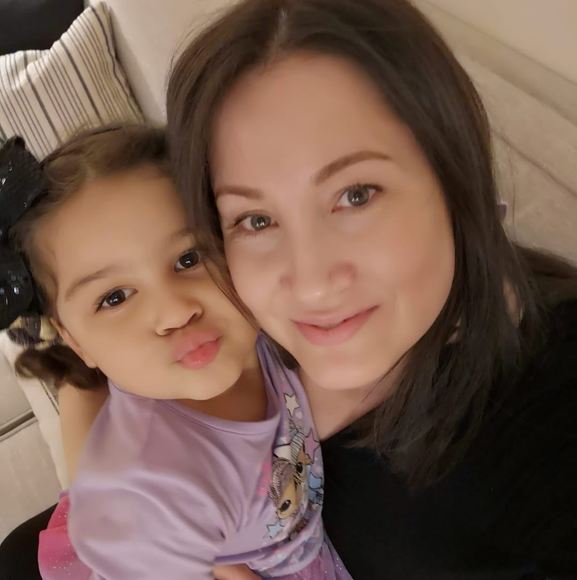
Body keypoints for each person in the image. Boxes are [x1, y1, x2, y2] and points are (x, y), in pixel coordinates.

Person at [164, 0, 577, 578]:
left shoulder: (551, 398)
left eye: (356, 195)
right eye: (256, 220)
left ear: (454, 176)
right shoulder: (234, 346)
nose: (312, 284)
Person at [0, 127, 351, 579]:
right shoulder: (147, 491)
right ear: (75, 341)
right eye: (115, 297)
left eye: (189, 259)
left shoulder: (267, 333)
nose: (175, 311)